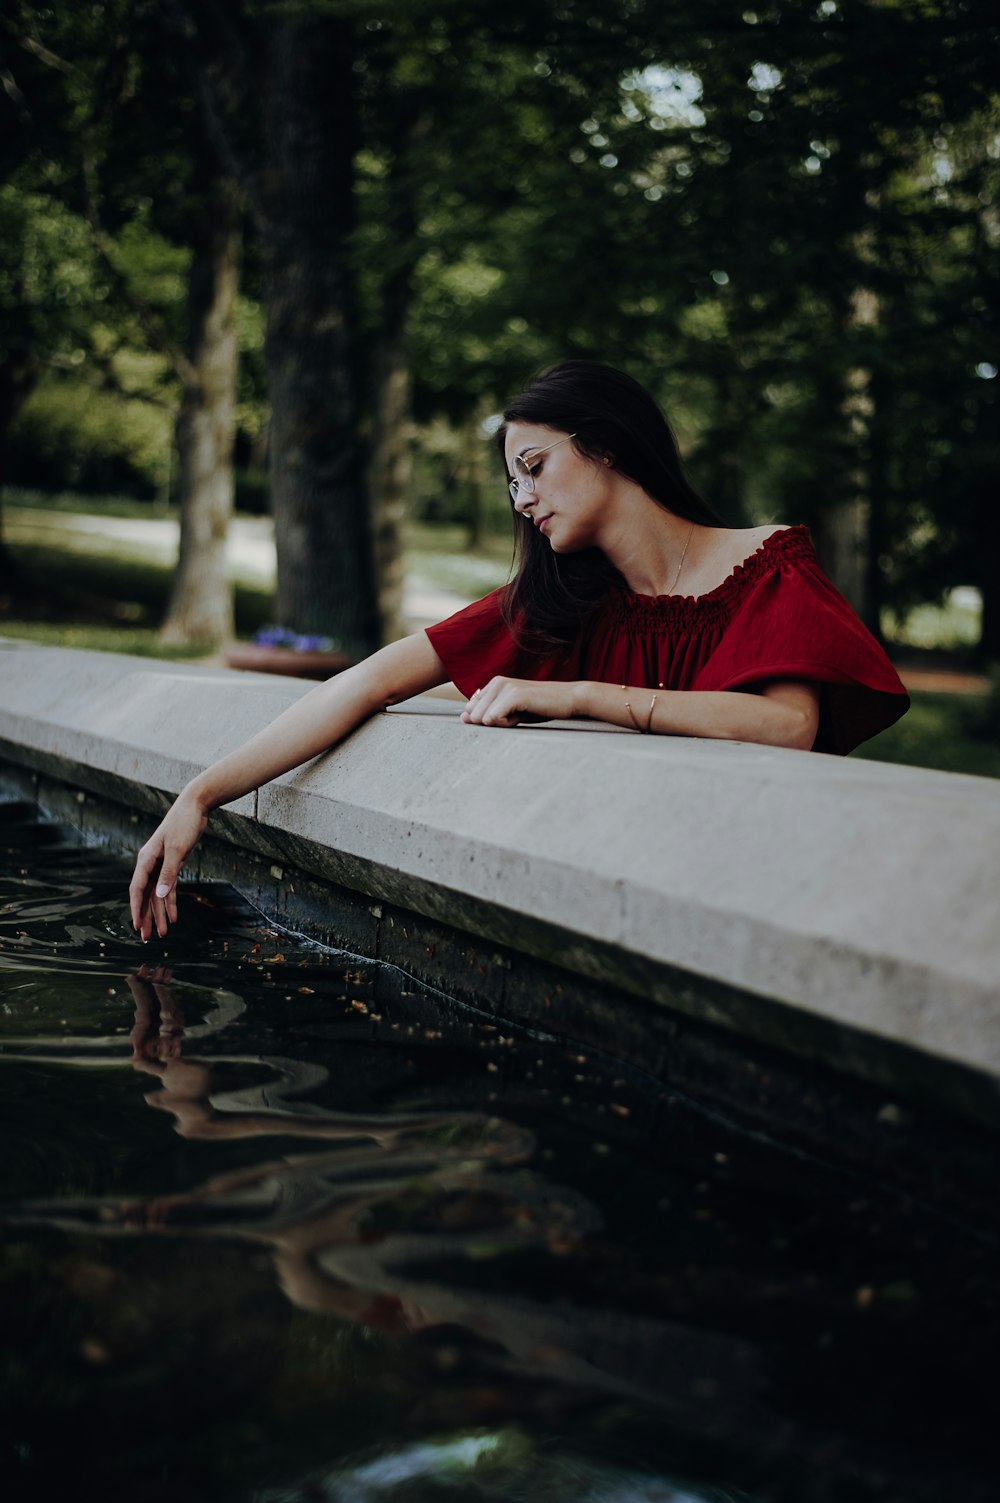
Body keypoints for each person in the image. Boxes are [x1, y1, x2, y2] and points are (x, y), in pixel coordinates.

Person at [130, 360, 908, 941]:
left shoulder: (767, 565)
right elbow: (366, 683)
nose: (524, 499)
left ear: (606, 446)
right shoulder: (559, 603)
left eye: (534, 468)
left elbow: (787, 726)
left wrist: (580, 694)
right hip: (621, 917)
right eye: (513, 484)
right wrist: (202, 794)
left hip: (772, 903)